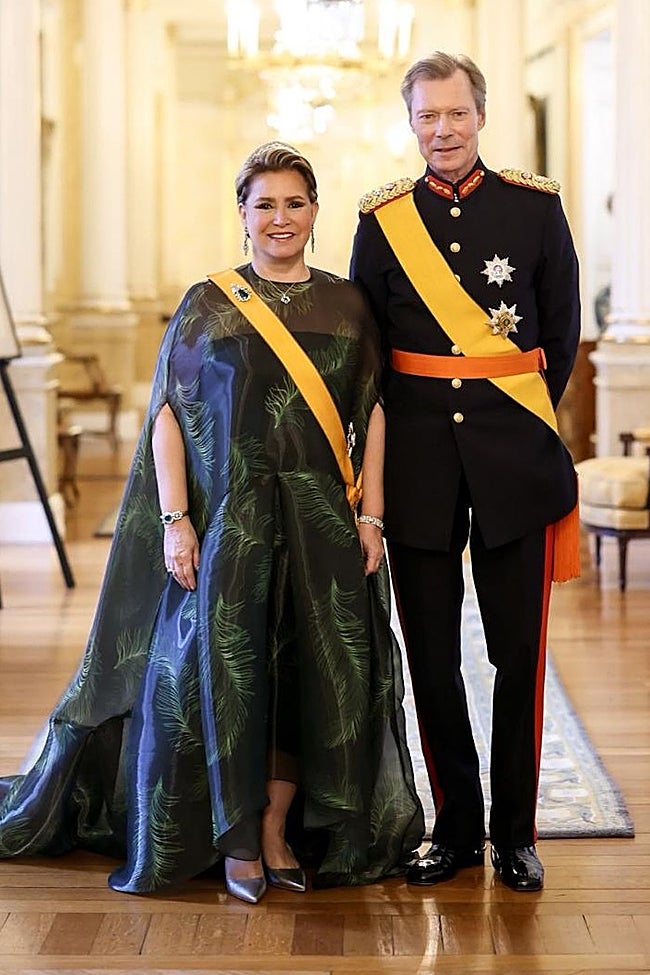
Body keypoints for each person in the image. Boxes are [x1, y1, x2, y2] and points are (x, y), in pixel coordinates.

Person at [0, 142, 424, 904]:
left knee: (307, 678)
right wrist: (175, 521)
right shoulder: (208, 302)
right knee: (230, 676)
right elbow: (168, 414)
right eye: (265, 203)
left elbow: (375, 413)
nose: (281, 217)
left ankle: (275, 830)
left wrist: (374, 516)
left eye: (295, 202)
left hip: (323, 521)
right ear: (242, 214)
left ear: (316, 211)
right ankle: (234, 835)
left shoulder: (349, 303)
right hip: (232, 523)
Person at [350, 52, 580, 892]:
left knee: (520, 651)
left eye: (455, 114)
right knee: (434, 655)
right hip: (417, 464)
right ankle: (455, 827)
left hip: (514, 459)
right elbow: (368, 352)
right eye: (426, 117)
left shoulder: (534, 208)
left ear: (480, 115)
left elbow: (560, 330)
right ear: (409, 122)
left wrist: (515, 417)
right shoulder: (381, 222)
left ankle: (515, 832)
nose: (441, 131)